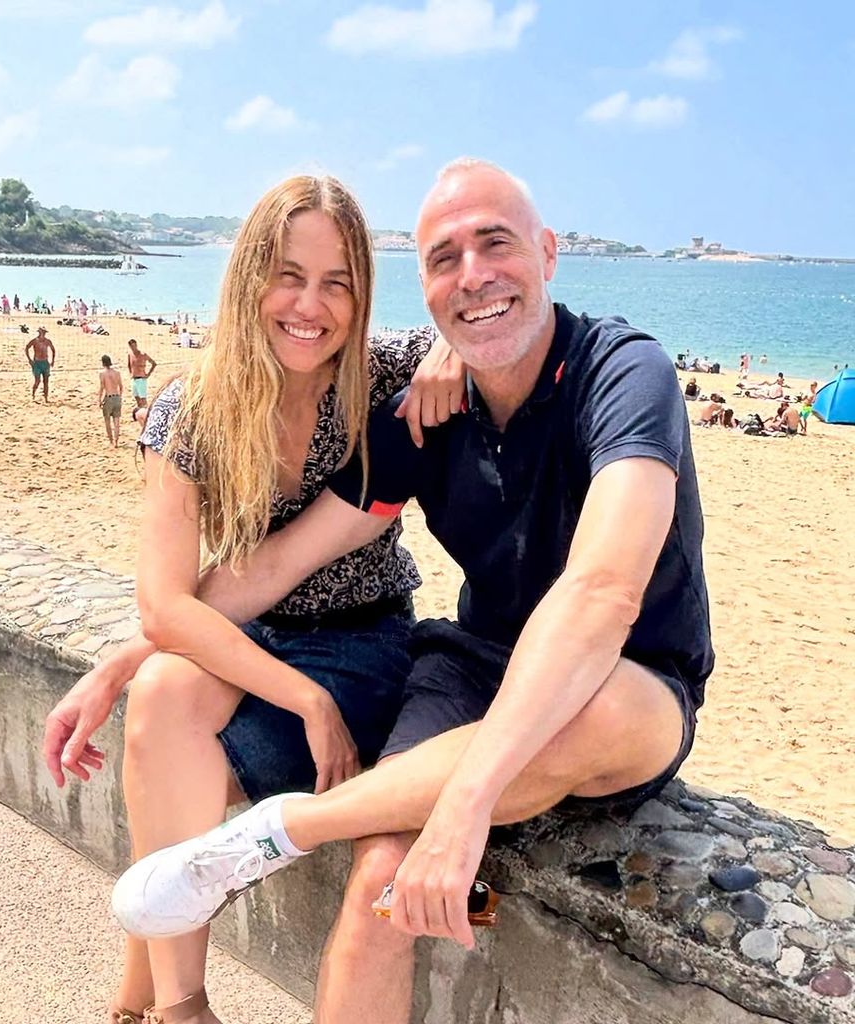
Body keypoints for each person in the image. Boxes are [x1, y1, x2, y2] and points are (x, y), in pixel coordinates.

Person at [109, 159, 713, 1024]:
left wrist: (463, 809)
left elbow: (602, 595)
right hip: (470, 667)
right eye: (444, 259)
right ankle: (183, 974)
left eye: (495, 244)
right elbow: (277, 564)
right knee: (383, 880)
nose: (474, 276)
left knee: (602, 704)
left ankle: (281, 832)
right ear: (426, 290)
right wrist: (139, 650)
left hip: (628, 673)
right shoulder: (422, 415)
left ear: (547, 253)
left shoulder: (625, 373)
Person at [42, 175, 464, 1024]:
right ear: (247, 280)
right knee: (162, 696)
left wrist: (448, 354)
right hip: (256, 642)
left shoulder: (379, 375)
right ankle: (182, 1006)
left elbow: (476, 322)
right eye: (288, 275)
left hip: (366, 642)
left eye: (337, 282)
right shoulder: (193, 410)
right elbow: (167, 608)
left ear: (361, 295)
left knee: (160, 748)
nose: (310, 305)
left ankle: (139, 1003)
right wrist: (296, 697)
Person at [99, 355, 124, 448]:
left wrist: (99, 399)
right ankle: (116, 441)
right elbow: (121, 387)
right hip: (117, 397)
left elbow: (102, 387)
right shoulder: (117, 373)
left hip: (108, 397)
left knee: (107, 420)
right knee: (116, 421)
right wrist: (119, 397)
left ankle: (111, 441)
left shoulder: (102, 373)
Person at [25, 327, 55, 402]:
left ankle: (46, 398)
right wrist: (29, 360)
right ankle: (33, 395)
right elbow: (27, 348)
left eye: (44, 332)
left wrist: (52, 361)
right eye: (42, 332)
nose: (44, 333)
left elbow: (53, 350)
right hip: (37, 363)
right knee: (37, 381)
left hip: (45, 362)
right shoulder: (35, 341)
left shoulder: (47, 341)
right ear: (39, 332)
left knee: (46, 381)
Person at [127, 339, 157, 409]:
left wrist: (148, 374)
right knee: (136, 396)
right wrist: (130, 374)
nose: (133, 348)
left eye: (134, 346)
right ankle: (140, 410)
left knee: (143, 398)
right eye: (132, 346)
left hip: (141, 378)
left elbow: (153, 363)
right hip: (134, 378)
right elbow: (129, 365)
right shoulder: (130, 354)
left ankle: (145, 412)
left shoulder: (143, 354)